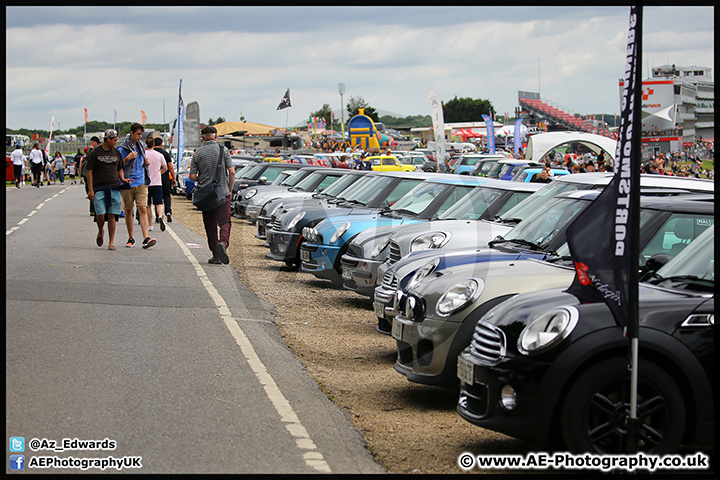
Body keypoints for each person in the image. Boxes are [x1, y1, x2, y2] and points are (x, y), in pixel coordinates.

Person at [188, 125, 235, 264]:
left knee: (210, 224)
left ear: (202, 137)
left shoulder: (198, 152)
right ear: (216, 136)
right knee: (225, 222)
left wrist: (202, 178)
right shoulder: (223, 150)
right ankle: (224, 243)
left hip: (206, 195)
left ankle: (216, 255)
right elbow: (232, 172)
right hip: (222, 193)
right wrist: (230, 189)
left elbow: (191, 176)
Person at [86, 129, 130, 251]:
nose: (116, 142)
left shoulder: (116, 152)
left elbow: (120, 167)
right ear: (108, 139)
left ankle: (111, 241)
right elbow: (89, 171)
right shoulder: (95, 152)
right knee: (100, 214)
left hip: (114, 187)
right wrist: (90, 190)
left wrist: (122, 178)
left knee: (112, 215)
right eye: (114, 140)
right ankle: (100, 230)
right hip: (99, 187)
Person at [118, 123, 155, 249]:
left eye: (141, 134)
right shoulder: (122, 149)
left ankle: (146, 238)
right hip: (128, 182)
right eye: (138, 134)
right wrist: (127, 158)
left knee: (143, 208)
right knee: (129, 210)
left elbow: (141, 161)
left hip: (141, 181)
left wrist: (146, 162)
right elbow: (118, 166)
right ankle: (131, 237)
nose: (140, 137)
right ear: (132, 133)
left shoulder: (141, 146)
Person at [143, 136, 168, 232]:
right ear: (153, 144)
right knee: (159, 203)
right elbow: (165, 168)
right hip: (157, 182)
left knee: (148, 205)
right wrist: (159, 172)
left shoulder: (144, 155)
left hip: (146, 183)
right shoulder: (159, 155)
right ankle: (160, 216)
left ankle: (150, 224)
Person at [155, 137, 176, 223]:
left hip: (155, 179)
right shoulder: (165, 153)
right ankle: (168, 211)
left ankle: (158, 216)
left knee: (157, 198)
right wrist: (174, 177)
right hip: (165, 178)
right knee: (167, 195)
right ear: (161, 144)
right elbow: (170, 166)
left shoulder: (152, 153)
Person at [81, 137, 101, 216]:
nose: (98, 145)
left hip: (86, 173)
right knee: (92, 190)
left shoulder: (88, 151)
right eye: (97, 143)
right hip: (89, 173)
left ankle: (93, 209)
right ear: (93, 142)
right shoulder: (91, 151)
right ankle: (93, 209)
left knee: (91, 190)